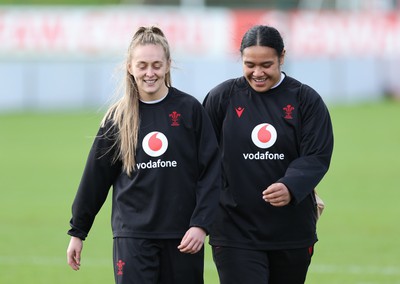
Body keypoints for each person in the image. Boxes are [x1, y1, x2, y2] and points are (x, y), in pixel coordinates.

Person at [66, 26, 221, 284]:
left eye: (157, 65)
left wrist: (200, 224)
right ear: (130, 66)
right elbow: (95, 179)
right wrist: (78, 232)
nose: (150, 73)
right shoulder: (118, 117)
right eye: (143, 65)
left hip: (183, 236)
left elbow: (211, 172)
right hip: (133, 237)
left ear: (168, 65)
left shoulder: (189, 109)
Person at [202, 25, 334, 284]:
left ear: (282, 57)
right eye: (250, 64)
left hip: (291, 231)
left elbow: (317, 154)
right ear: (240, 58)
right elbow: (199, 156)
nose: (258, 72)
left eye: (266, 64)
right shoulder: (222, 98)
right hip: (233, 229)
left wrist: (291, 186)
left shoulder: (305, 100)